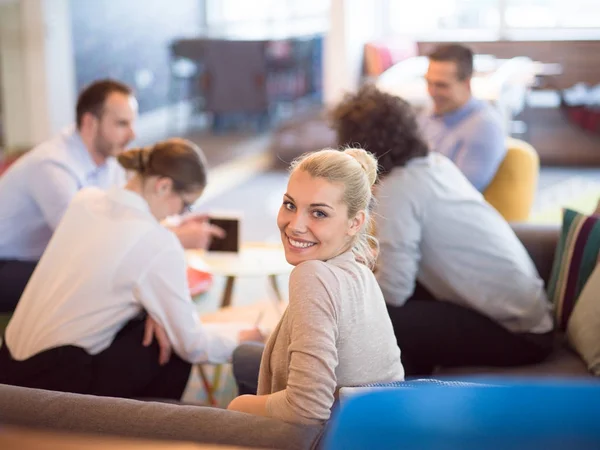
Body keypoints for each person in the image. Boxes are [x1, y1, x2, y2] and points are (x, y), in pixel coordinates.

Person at [0, 138, 263, 400]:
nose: (180, 213)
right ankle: (143, 430)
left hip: (9, 365)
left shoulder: (86, 200)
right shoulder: (159, 244)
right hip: (54, 383)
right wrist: (240, 338)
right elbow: (192, 345)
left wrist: (153, 310)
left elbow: (120, 251)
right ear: (163, 186)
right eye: (185, 205)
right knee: (169, 342)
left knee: (155, 322)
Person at [330, 85, 554, 377]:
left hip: (520, 336)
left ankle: (387, 392)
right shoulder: (435, 166)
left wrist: (347, 297)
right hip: (532, 319)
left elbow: (395, 291)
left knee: (373, 317)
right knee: (381, 306)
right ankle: (405, 383)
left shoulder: (398, 190)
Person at [0, 79, 221, 312]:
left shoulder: (108, 161)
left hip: (43, 260)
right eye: (122, 124)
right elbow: (86, 245)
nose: (132, 134)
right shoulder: (52, 166)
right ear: (90, 123)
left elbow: (126, 221)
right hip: (8, 265)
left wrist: (176, 221)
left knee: (128, 280)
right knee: (108, 285)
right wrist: (176, 238)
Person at [227, 148, 404, 425]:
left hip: (332, 438)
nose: (295, 225)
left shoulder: (312, 275)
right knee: (245, 356)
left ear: (354, 222)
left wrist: (237, 407)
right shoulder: (360, 269)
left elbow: (307, 409)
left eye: (318, 214)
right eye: (289, 205)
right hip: (380, 428)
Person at [419, 44, 506, 192]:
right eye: (429, 82)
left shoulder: (484, 127)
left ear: (466, 83)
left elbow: (458, 192)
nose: (431, 92)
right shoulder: (429, 113)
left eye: (441, 85)